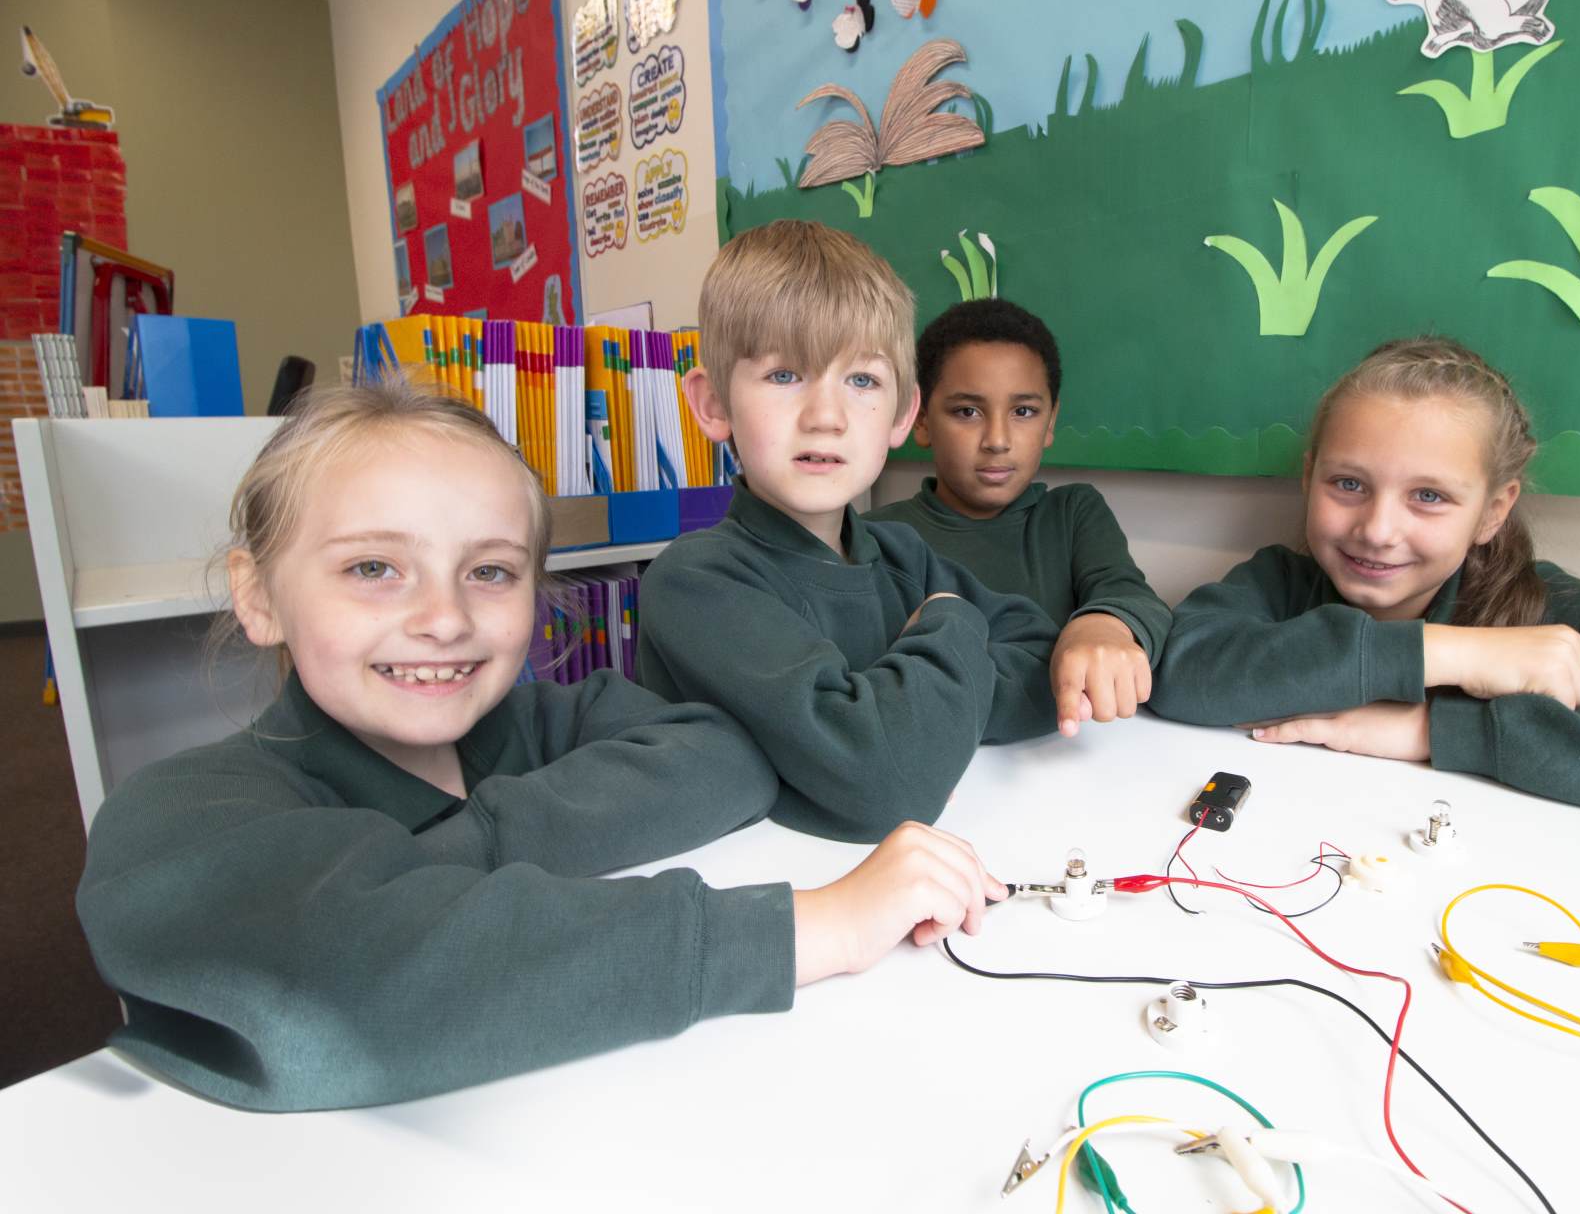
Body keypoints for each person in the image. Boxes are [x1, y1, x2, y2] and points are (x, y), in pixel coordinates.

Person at [76, 382, 1004, 1112]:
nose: (443, 618)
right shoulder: (171, 815)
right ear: (258, 595)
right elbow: (338, 975)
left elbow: (727, 757)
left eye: (490, 571)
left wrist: (463, 845)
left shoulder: (540, 724)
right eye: (374, 567)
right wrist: (815, 927)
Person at [1150, 336, 1580, 837]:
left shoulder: (1551, 616)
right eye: (1348, 484)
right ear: (1309, 478)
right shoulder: (1282, 582)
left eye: (1428, 496)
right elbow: (1182, 673)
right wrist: (1446, 653)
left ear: (1493, 510)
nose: (1378, 530)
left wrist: (1438, 730)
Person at [637, 221, 1059, 843]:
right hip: (770, 889)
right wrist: (952, 619)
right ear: (714, 404)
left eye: (862, 381)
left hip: (909, 876)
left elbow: (1043, 662)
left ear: (903, 413)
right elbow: (888, 784)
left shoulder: (900, 554)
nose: (826, 417)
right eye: (784, 375)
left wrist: (921, 721)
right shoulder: (696, 581)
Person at [867, 298, 1169, 738]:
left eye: (1023, 412)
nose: (997, 440)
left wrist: (1104, 625)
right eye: (967, 411)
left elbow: (1131, 595)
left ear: (1051, 422)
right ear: (922, 419)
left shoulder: (1073, 513)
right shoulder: (876, 537)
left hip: (1062, 766)